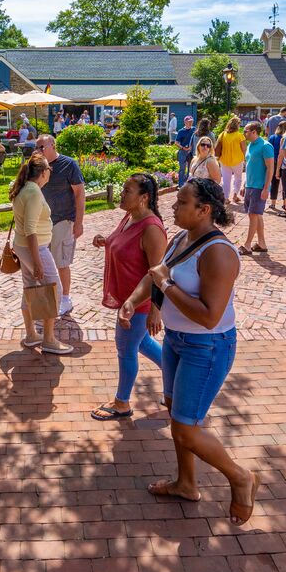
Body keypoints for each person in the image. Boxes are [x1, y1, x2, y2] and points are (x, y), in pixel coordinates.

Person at [119, 178, 258, 525]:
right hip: (177, 341)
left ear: (204, 210)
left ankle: (241, 478)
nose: (174, 207)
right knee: (176, 414)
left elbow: (210, 316)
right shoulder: (183, 237)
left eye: (181, 202)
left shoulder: (219, 252)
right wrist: (134, 300)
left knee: (185, 428)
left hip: (206, 346)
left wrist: (166, 284)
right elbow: (155, 274)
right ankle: (186, 483)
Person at [90, 173, 167, 420]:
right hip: (127, 299)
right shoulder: (130, 216)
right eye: (122, 189)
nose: (122, 194)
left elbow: (158, 273)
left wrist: (156, 310)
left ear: (143, 198)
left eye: (127, 191)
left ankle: (122, 403)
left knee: (126, 348)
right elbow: (123, 243)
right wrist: (106, 241)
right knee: (141, 343)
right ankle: (177, 377)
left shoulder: (152, 229)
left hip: (139, 303)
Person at [10, 152, 72, 355]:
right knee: (54, 288)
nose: (50, 173)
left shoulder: (24, 188)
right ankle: (49, 339)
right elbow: (30, 229)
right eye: (49, 170)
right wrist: (37, 262)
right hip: (34, 248)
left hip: (23, 247)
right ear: (43, 172)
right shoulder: (34, 192)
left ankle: (31, 335)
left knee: (29, 288)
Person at [35, 135, 85, 317]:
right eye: (36, 147)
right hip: (43, 224)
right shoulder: (38, 167)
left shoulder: (68, 164)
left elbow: (79, 193)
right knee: (43, 263)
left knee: (62, 263)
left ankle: (65, 299)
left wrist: (79, 223)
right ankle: (49, 297)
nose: (38, 150)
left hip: (64, 220)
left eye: (41, 147)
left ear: (52, 145)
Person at [239, 122, 274, 254]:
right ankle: (261, 243)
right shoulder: (250, 146)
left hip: (259, 187)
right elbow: (249, 167)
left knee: (253, 215)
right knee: (256, 215)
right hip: (250, 186)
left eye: (246, 131)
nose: (244, 133)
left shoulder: (266, 146)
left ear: (254, 131)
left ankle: (247, 245)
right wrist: (244, 184)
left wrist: (266, 188)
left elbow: (270, 168)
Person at [215, 116, 247, 204]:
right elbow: (244, 149)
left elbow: (217, 147)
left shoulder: (222, 134)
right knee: (238, 178)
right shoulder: (240, 135)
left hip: (224, 160)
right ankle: (235, 195)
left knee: (226, 180)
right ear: (238, 125)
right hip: (237, 160)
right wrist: (246, 159)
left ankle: (225, 198)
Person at [267, 121, 286, 211]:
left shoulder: (273, 137)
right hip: (285, 162)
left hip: (274, 161)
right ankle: (285, 203)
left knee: (274, 183)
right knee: (285, 184)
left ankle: (273, 203)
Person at [175, 116, 196, 186]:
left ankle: (188, 184)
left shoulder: (194, 130)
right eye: (189, 121)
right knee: (182, 169)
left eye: (191, 121)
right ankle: (180, 185)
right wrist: (183, 148)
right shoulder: (181, 131)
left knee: (191, 169)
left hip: (191, 152)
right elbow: (176, 143)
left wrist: (192, 147)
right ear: (185, 122)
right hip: (183, 152)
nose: (190, 123)